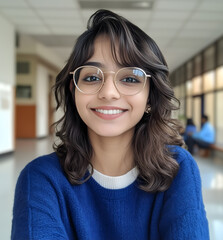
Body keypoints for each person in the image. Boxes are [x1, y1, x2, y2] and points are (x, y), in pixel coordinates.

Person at [11, 9, 209, 240]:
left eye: (130, 78)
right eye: (92, 77)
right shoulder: (41, 178)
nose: (108, 93)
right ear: (74, 92)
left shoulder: (177, 169)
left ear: (150, 96)